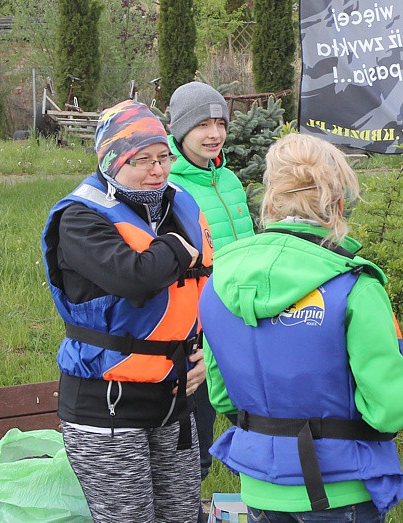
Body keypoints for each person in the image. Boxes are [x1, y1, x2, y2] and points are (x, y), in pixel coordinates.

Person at [198, 133, 403, 522]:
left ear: (270, 200)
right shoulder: (355, 288)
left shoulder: (219, 285)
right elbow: (391, 409)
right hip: (340, 487)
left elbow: (221, 396)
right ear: (336, 203)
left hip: (260, 485)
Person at [41, 100, 212, 522]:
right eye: (142, 160)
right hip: (106, 404)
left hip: (174, 397)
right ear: (112, 162)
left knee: (183, 516)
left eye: (163, 157)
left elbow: (205, 287)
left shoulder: (176, 204)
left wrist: (204, 351)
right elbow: (133, 277)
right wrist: (174, 247)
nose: (158, 170)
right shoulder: (80, 218)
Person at [166, 80, 255, 521]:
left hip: (243, 319)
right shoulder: (168, 185)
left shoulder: (230, 179)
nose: (214, 133)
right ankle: (187, 506)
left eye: (220, 122)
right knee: (195, 424)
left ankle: (259, 497)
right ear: (181, 129)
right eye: (203, 123)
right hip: (198, 325)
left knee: (248, 416)